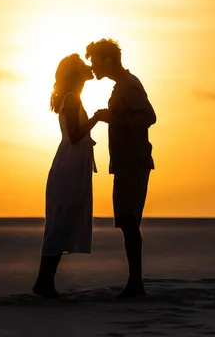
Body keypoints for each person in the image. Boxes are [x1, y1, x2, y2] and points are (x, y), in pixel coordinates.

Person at [85, 38, 157, 298]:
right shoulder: (122, 86)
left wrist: (114, 118)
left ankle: (136, 285)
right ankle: (134, 284)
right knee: (128, 222)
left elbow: (149, 116)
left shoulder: (128, 85)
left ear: (107, 60)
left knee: (129, 221)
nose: (92, 67)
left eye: (94, 60)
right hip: (126, 162)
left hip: (133, 162)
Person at [32, 53, 107, 298]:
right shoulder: (72, 99)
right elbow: (75, 136)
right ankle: (43, 283)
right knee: (60, 223)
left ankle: (46, 282)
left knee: (61, 223)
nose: (88, 70)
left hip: (72, 165)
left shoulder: (72, 98)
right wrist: (96, 118)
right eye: (83, 68)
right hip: (70, 166)